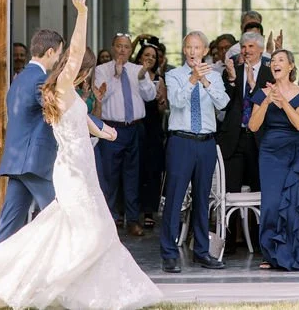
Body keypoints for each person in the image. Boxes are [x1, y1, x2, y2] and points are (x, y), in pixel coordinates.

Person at [0, 0, 162, 310]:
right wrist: (82, 14)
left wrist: (101, 129)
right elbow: (69, 87)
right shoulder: (47, 82)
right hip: (48, 164)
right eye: (64, 57)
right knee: (59, 230)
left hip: (27, 162)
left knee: (14, 230)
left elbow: (67, 114)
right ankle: (49, 283)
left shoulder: (24, 79)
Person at [160, 30, 230, 273]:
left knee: (203, 199)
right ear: (184, 50)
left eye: (197, 48)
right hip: (181, 142)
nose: (192, 52)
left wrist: (204, 81)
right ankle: (168, 253)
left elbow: (222, 104)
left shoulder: (215, 76)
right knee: (175, 197)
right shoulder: (173, 75)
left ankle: (202, 251)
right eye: (188, 47)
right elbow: (177, 102)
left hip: (207, 142)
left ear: (205, 51)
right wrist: (191, 80)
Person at [0, 28, 64, 246]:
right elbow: (60, 112)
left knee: (7, 226)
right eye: (59, 54)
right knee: (60, 216)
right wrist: (99, 126)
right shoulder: (40, 80)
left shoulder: (19, 80)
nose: (58, 60)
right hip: (33, 162)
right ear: (50, 52)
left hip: (17, 162)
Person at [247, 49, 299, 271]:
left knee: (294, 201)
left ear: (290, 67)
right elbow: (253, 126)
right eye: (273, 61)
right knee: (271, 203)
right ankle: (271, 254)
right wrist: (268, 101)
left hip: (295, 149)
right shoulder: (262, 93)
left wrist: (283, 102)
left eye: (281, 60)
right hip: (270, 151)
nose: (275, 63)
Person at [94, 33, 157, 235]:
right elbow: (102, 96)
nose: (122, 50)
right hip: (111, 128)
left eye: (126, 47)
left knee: (133, 176)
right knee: (110, 177)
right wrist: (117, 76)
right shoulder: (102, 70)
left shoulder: (138, 70)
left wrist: (143, 78)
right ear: (113, 47)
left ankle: (132, 220)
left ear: (131, 51)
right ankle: (110, 220)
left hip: (134, 128)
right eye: (119, 46)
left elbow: (150, 96)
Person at [218, 31, 270, 254]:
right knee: (230, 190)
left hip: (259, 139)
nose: (246, 51)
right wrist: (231, 79)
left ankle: (261, 242)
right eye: (243, 47)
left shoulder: (270, 72)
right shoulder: (232, 71)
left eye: (250, 47)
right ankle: (228, 244)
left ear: (260, 49)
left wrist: (252, 85)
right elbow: (224, 103)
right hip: (234, 138)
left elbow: (269, 102)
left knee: (261, 189)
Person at [135, 38, 168, 229]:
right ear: (139, 57)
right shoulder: (132, 75)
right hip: (136, 124)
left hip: (153, 127)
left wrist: (162, 102)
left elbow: (163, 109)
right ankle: (131, 210)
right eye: (146, 55)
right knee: (134, 169)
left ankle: (149, 210)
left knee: (152, 170)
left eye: (153, 56)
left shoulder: (159, 79)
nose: (149, 58)